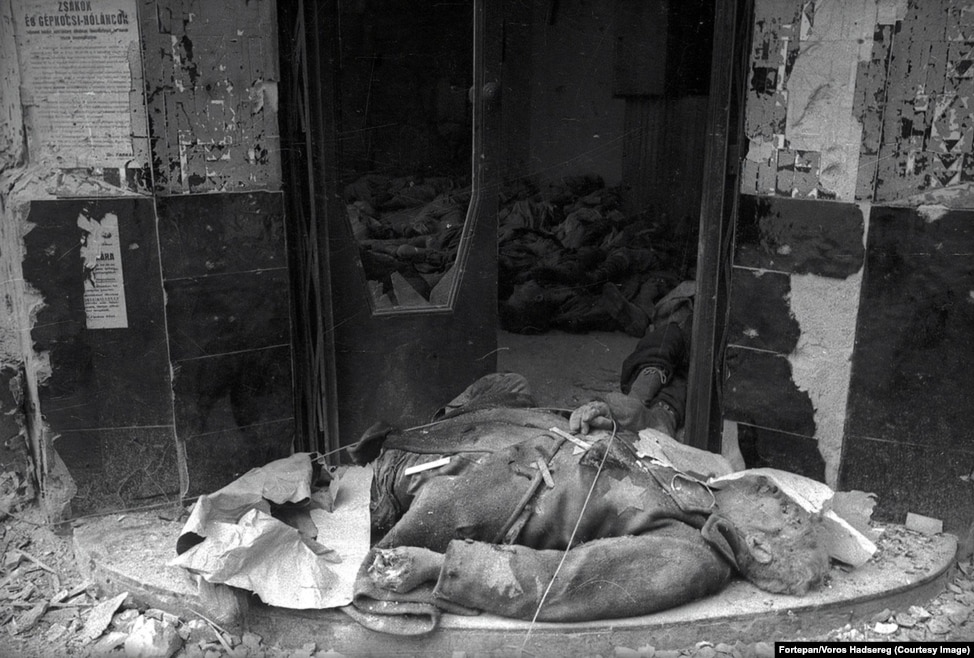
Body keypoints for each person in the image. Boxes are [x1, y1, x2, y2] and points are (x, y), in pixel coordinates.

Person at [345, 371, 831, 635]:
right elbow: (632, 469)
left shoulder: (690, 558)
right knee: (509, 384)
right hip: (523, 445)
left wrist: (442, 566)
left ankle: (384, 474)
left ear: (759, 547)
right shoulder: (707, 492)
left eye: (788, 516)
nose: (779, 495)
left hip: (483, 487)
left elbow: (564, 583)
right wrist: (605, 424)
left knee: (393, 467)